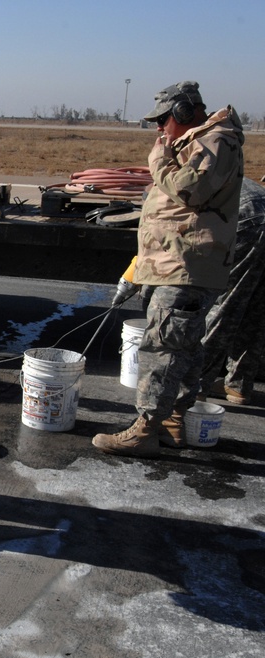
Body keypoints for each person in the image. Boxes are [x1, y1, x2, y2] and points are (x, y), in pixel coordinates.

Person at [93, 81, 244, 456]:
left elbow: (188, 189)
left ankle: (145, 430)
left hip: (186, 265)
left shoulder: (216, 141)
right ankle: (172, 421)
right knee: (182, 348)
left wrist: (158, 158)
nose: (159, 129)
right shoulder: (197, 141)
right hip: (175, 264)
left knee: (162, 348)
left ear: (182, 112)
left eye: (163, 120)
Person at [199, 177, 265, 406]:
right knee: (256, 307)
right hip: (258, 213)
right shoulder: (229, 175)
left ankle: (195, 386)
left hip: (248, 222)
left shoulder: (172, 187)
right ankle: (238, 386)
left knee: (225, 306)